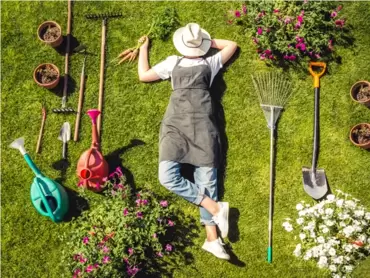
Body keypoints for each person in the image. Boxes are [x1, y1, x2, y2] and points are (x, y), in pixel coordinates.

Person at [138, 23, 237, 260]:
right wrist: (144, 49)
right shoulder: (174, 62)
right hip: (176, 126)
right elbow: (144, 76)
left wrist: (204, 45)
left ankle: (212, 239)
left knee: (207, 180)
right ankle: (214, 208)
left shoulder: (210, 63)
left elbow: (233, 45)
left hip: (203, 125)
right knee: (167, 177)